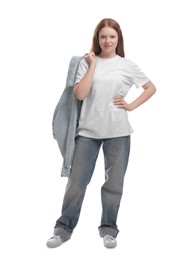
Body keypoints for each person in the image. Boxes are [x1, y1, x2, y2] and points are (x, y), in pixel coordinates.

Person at [46, 18, 156, 249]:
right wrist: (93, 65)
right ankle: (63, 229)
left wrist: (131, 105)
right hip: (87, 132)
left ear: (118, 39)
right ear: (97, 38)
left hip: (118, 132)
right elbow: (80, 94)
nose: (107, 40)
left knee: (113, 184)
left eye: (112, 36)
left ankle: (109, 230)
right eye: (103, 36)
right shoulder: (87, 63)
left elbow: (150, 87)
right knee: (76, 184)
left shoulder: (127, 65)